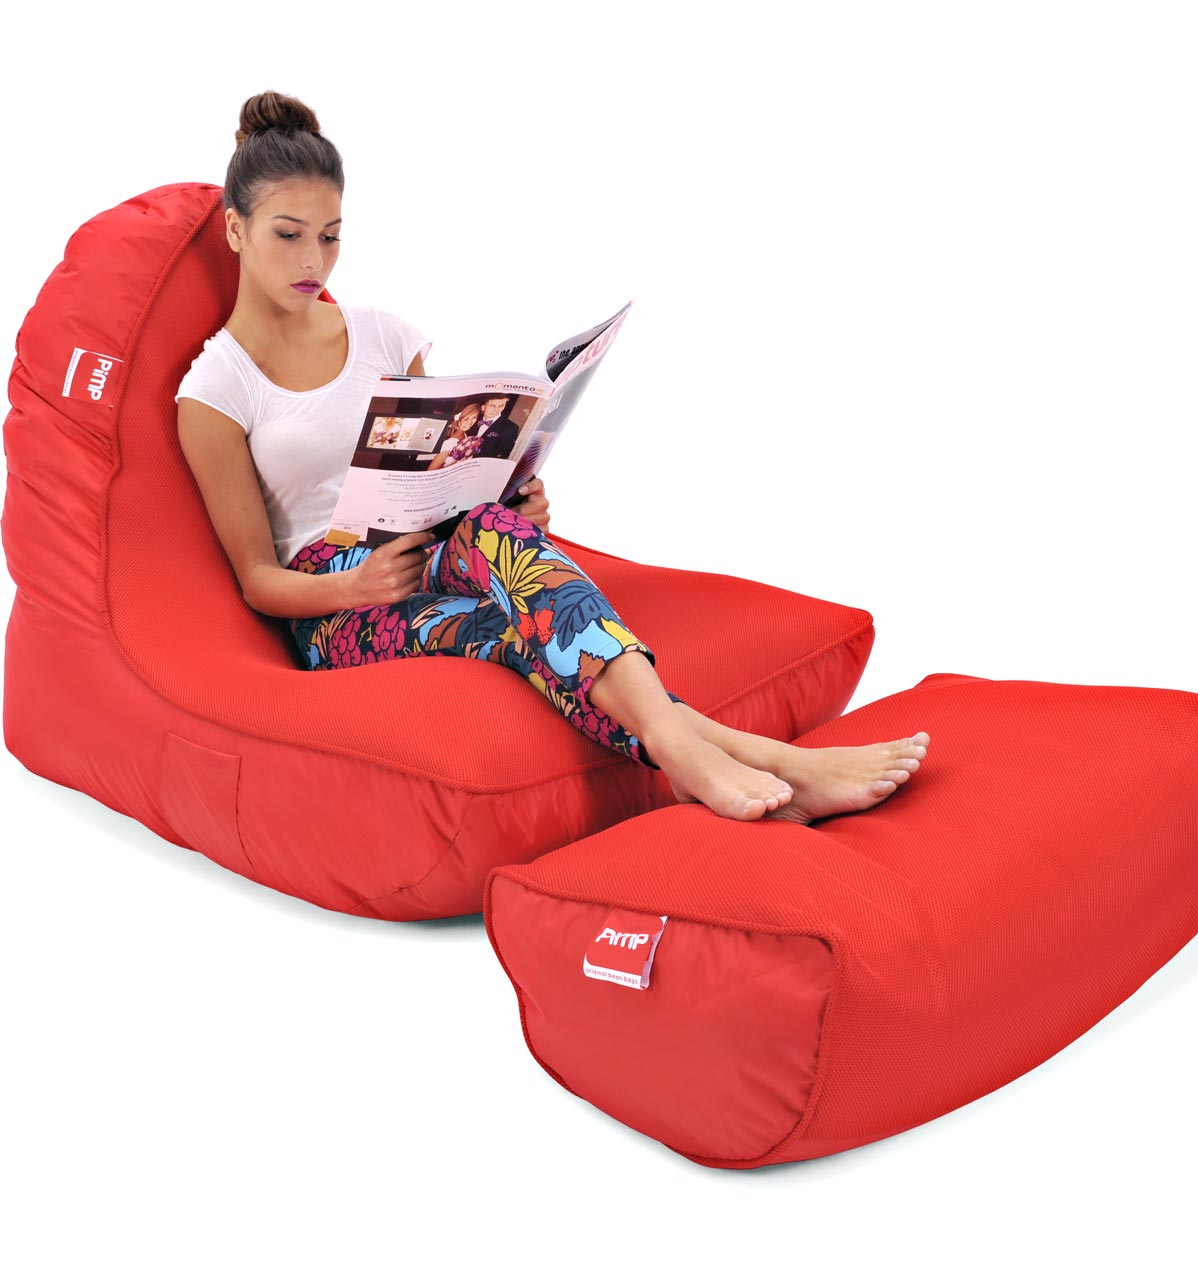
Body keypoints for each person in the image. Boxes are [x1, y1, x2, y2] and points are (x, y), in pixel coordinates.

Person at [175, 89, 929, 825]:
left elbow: (438, 467)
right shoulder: (215, 389)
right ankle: (752, 758)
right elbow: (257, 580)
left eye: (332, 236)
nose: (315, 259)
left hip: (434, 543)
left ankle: (713, 761)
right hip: (338, 604)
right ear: (236, 230)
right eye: (289, 234)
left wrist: (506, 491)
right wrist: (356, 585)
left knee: (502, 545)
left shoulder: (384, 334)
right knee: (515, 624)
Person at [428, 401, 482, 470]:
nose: (470, 422)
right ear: (459, 420)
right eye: (466, 419)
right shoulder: (450, 443)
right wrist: (458, 463)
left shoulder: (464, 434)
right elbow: (431, 470)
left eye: (474, 418)